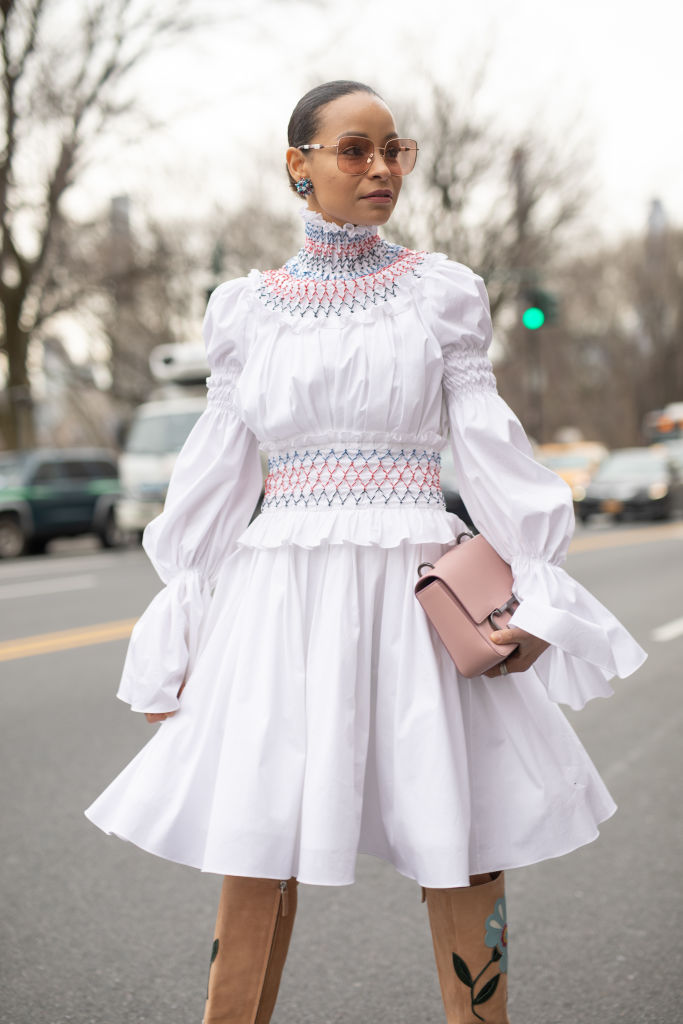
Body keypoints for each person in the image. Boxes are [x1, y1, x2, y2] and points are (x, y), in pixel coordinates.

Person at [85, 80, 646, 1023]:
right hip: (280, 599)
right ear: (297, 165)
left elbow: (491, 451)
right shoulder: (244, 310)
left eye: (395, 150)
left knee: (461, 832)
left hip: (420, 595)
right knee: (257, 841)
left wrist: (538, 587)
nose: (382, 168)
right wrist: (178, 628)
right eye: (355, 149)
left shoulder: (443, 293)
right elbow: (214, 480)